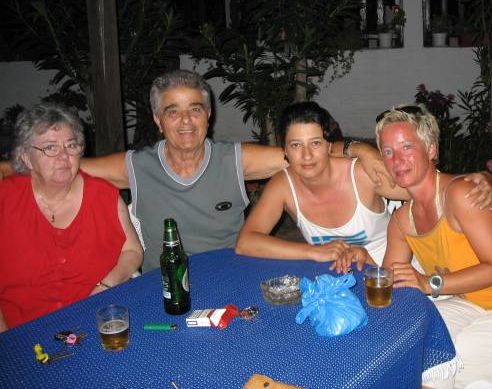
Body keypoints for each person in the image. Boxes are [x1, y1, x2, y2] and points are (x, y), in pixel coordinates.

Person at [9, 71, 384, 272]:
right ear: (158, 120)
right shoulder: (136, 166)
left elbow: (305, 153)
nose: (186, 120)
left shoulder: (235, 159)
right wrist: (14, 164)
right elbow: (63, 162)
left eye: (195, 109)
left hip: (232, 279)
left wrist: (359, 148)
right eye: (172, 111)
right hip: (163, 287)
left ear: (208, 115)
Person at [377, 105, 492, 388]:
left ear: (431, 149)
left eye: (407, 147)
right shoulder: (401, 222)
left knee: (435, 360)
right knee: (406, 341)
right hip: (475, 304)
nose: (397, 160)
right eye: (388, 151)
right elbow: (389, 283)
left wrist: (428, 283)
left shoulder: (461, 193)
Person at [235, 102, 492, 273]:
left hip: (396, 272)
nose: (306, 155)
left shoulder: (361, 173)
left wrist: (480, 178)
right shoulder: (283, 185)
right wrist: (314, 252)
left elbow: (434, 189)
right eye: (295, 145)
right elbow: (246, 242)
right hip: (339, 278)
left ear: (330, 146)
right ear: (284, 150)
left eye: (315, 143)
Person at [0, 104, 143, 332]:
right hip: (20, 333)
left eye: (71, 145)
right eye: (50, 147)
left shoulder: (104, 196)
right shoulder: (6, 199)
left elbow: (133, 251)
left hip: (93, 324)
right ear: (26, 157)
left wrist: (106, 285)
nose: (64, 156)